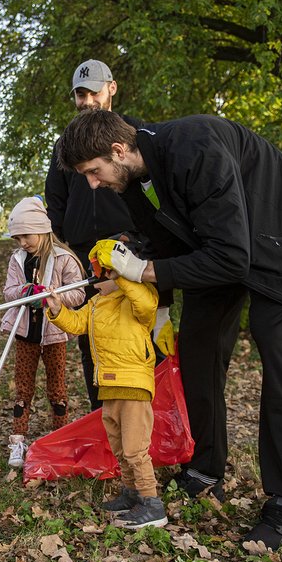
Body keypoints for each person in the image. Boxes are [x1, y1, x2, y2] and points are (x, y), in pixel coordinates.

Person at [57, 109, 282, 549]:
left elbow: (231, 258)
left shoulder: (194, 147)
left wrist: (144, 272)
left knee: (276, 345)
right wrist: (159, 309)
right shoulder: (132, 181)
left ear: (118, 151)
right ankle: (205, 469)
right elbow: (163, 243)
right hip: (220, 241)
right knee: (198, 348)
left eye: (93, 171)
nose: (92, 182)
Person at [45, 59, 175, 412]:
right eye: (80, 94)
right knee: (93, 338)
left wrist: (162, 291)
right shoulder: (67, 146)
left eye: (94, 92)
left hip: (133, 250)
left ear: (112, 89)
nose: (87, 101)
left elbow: (158, 205)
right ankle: (104, 420)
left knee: (144, 333)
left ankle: (156, 421)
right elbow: (55, 205)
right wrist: (58, 250)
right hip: (86, 256)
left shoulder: (134, 136)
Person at [45, 238, 165, 529]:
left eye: (102, 274)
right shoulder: (97, 304)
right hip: (108, 385)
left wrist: (122, 273)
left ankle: (152, 503)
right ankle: (131, 492)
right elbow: (76, 325)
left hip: (134, 384)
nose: (96, 281)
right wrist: (57, 309)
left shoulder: (141, 297)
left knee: (136, 447)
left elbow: (144, 301)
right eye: (96, 273)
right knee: (120, 446)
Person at [0, 196, 85, 467]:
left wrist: (55, 298)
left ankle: (61, 436)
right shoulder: (18, 259)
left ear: (41, 229)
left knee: (57, 387)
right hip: (27, 333)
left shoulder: (63, 258)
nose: (22, 243)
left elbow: (79, 292)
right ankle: (18, 439)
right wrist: (26, 292)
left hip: (54, 334)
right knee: (23, 387)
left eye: (26, 235)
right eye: (17, 238)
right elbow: (8, 292)